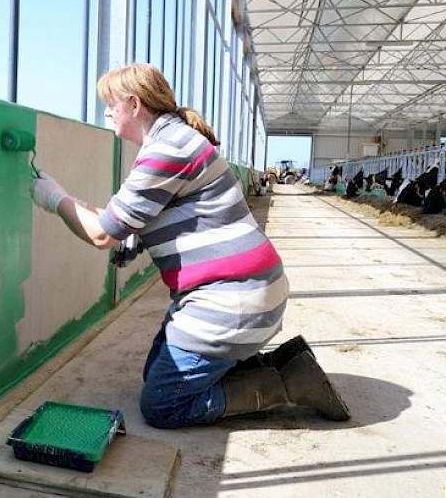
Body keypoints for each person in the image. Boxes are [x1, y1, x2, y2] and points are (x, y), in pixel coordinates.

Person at [30, 64, 349, 428]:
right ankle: (282, 363)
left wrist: (54, 199)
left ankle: (285, 384)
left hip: (232, 300)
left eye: (110, 102)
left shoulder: (166, 150)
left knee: (162, 405)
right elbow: (119, 220)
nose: (105, 111)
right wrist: (75, 203)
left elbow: (104, 234)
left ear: (134, 105)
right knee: (156, 375)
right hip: (243, 290)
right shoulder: (174, 140)